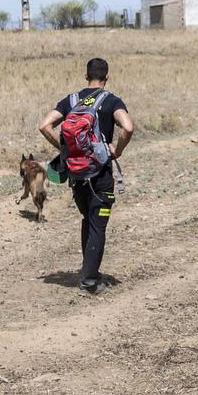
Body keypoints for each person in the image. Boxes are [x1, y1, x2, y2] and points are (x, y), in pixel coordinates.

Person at [38, 57, 134, 294]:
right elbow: (128, 127)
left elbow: (44, 126)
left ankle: (88, 271)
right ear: (107, 77)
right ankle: (89, 280)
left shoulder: (71, 100)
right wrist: (116, 151)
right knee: (97, 225)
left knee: (88, 220)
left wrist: (64, 151)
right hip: (100, 175)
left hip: (76, 174)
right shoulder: (111, 100)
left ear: (86, 76)